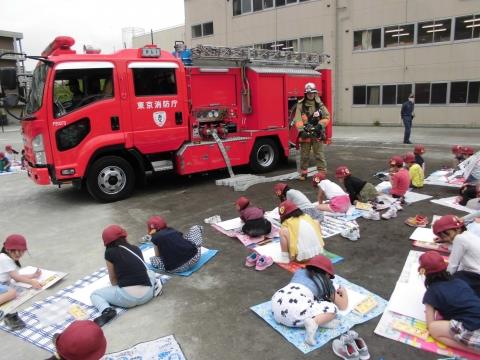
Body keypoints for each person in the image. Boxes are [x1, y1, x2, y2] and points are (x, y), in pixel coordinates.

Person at [90, 225, 161, 327]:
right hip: (148, 295)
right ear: (124, 236)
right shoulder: (136, 249)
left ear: (106, 242)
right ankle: (156, 285)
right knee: (150, 272)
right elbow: (142, 269)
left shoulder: (109, 253)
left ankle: (107, 310)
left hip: (127, 299)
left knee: (95, 294)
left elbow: (113, 280)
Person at [271, 255, 348, 346]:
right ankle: (314, 322)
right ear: (327, 274)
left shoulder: (299, 272)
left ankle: (319, 321)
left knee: (309, 304)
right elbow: (343, 306)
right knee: (332, 308)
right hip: (294, 312)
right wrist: (344, 292)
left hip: (276, 308)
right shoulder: (325, 282)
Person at [419, 251, 480, 354]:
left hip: (473, 329)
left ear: (424, 273)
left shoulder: (432, 292)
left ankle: (472, 350)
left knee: (434, 329)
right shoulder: (459, 281)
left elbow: (430, 324)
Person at [1, 234, 42, 330]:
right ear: (7, 249)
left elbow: (15, 276)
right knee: (12, 293)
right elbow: (17, 277)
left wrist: (32, 276)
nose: (18, 254)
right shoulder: (4, 259)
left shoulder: (6, 258)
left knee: (12, 291)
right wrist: (32, 282)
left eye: (21, 251)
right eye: (15, 251)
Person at [432, 215, 480, 297]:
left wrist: (445, 280)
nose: (447, 239)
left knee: (446, 285)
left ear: (458, 229)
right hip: (474, 274)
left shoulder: (459, 239)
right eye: (443, 237)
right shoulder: (468, 234)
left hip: (476, 277)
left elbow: (453, 265)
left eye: (447, 235)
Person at [293, 82, 330, 180]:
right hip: (306, 133)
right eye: (308, 93)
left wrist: (320, 125)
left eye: (312, 93)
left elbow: (327, 116)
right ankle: (303, 173)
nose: (310, 95)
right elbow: (298, 118)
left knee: (319, 154)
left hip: (317, 133)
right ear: (305, 94)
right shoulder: (301, 105)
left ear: (315, 93)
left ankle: (321, 173)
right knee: (304, 155)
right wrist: (301, 130)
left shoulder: (319, 104)